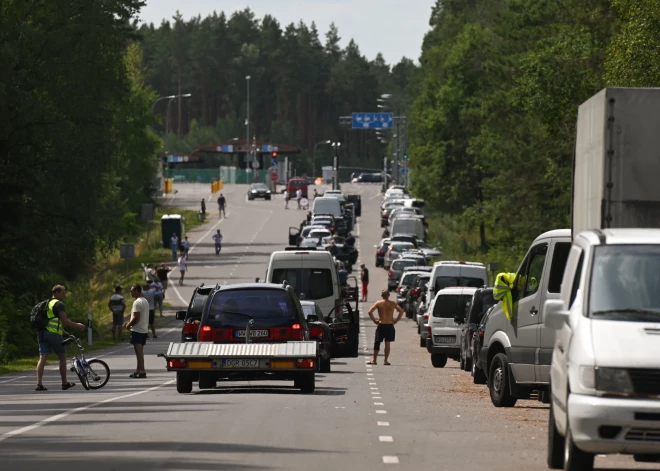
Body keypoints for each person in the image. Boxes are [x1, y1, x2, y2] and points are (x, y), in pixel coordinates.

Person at [35, 285, 86, 391]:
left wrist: (64, 333)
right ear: (57, 292)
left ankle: (39, 384)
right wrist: (78, 325)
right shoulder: (58, 304)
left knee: (42, 358)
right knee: (62, 357)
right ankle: (64, 383)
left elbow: (52, 321)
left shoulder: (47, 303)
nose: (64, 294)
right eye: (63, 292)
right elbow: (65, 321)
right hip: (53, 334)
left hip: (42, 333)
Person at [367, 289, 404, 365]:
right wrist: (396, 320)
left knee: (377, 342)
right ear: (389, 295)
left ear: (382, 296)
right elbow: (401, 311)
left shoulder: (379, 303)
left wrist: (374, 321)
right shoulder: (393, 303)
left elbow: (370, 311)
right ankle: (386, 360)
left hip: (381, 325)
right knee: (387, 343)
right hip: (390, 325)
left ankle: (374, 360)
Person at [125, 284, 149, 378]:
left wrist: (128, 324)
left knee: (138, 352)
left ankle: (142, 370)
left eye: (132, 291)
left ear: (137, 291)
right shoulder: (145, 301)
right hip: (143, 329)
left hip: (137, 330)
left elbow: (136, 317)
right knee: (140, 352)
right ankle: (138, 370)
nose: (131, 293)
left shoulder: (137, 302)